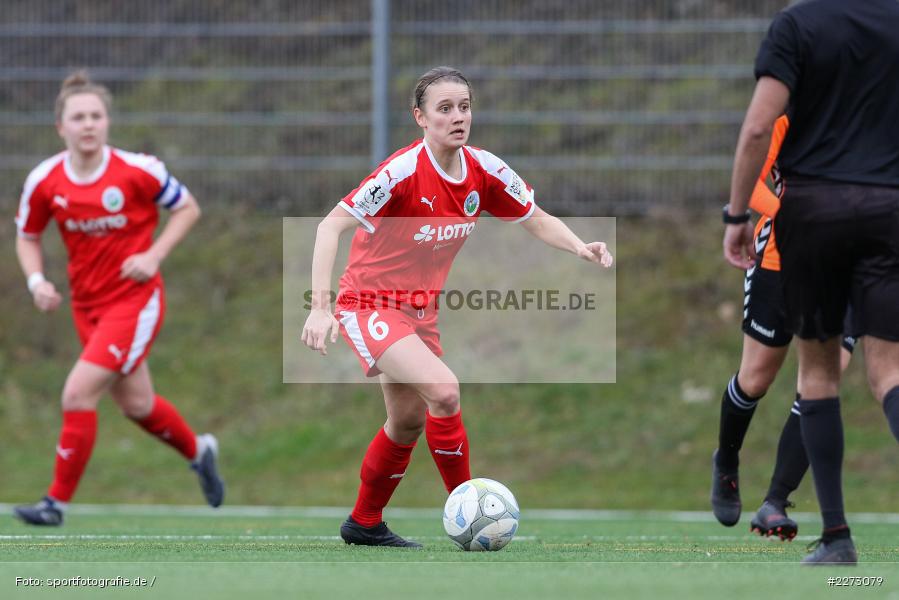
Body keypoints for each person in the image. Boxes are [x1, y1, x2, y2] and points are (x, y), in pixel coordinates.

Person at [301, 66, 613, 547]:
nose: (458, 117)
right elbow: (329, 226)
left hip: (420, 314)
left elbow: (535, 217)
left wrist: (578, 247)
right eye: (444, 108)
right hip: (368, 304)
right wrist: (321, 308)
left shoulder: (485, 170)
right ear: (420, 117)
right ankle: (472, 517)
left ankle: (363, 523)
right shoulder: (402, 172)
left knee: (406, 422)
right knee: (445, 391)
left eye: (464, 107)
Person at [723, 0, 899, 564]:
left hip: (815, 210)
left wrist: (734, 217)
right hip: (889, 209)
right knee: (890, 373)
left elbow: (756, 128)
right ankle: (755, 485)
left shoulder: (799, 24)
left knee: (819, 373)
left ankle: (837, 540)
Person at [13, 71, 225, 525]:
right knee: (137, 405)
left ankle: (55, 504)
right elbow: (27, 236)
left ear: (107, 122)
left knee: (77, 394)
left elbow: (187, 208)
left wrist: (153, 255)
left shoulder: (137, 170)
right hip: (86, 306)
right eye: (78, 117)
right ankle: (199, 450)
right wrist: (36, 282)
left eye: (96, 116)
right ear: (61, 127)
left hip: (134, 301)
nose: (88, 124)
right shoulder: (45, 181)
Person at [712, 115, 858, 540]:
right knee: (756, 378)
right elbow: (753, 183)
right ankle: (727, 462)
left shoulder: (873, 110)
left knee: (824, 380)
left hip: (850, 262)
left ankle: (776, 501)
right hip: (780, 258)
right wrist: (794, 214)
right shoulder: (787, 116)